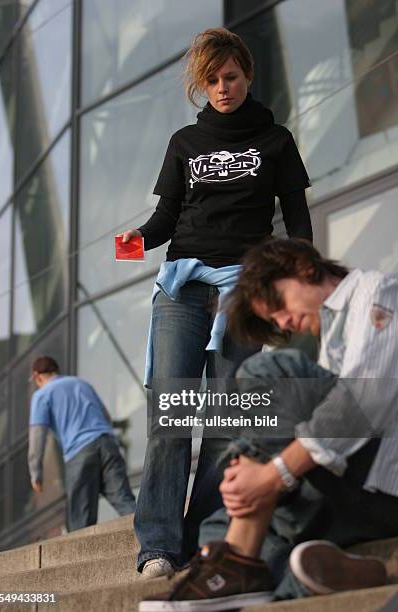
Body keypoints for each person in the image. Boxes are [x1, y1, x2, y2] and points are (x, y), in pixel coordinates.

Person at [121, 28, 313, 578]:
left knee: (228, 423)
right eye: (211, 79)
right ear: (200, 85)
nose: (221, 87)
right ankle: (157, 546)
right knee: (171, 414)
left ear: (247, 75)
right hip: (183, 288)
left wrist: (300, 273)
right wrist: (134, 240)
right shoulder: (185, 142)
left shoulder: (275, 140)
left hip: (243, 293)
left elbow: (296, 219)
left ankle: (203, 536)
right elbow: (165, 218)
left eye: (230, 76)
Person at [139, 238, 398, 610]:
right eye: (273, 320)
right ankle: (347, 574)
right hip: (358, 498)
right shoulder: (330, 335)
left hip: (386, 481)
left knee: (269, 370)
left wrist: (273, 475)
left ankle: (238, 560)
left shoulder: (377, 292)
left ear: (303, 268)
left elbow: (361, 403)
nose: (283, 322)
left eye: (278, 306)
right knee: (223, 523)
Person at [28, 356, 136, 531]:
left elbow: (37, 436)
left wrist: (36, 474)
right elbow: (106, 416)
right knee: (124, 501)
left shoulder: (42, 395)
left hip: (79, 452)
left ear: (37, 376)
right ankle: (154, 548)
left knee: (80, 518)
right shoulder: (81, 384)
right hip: (107, 443)